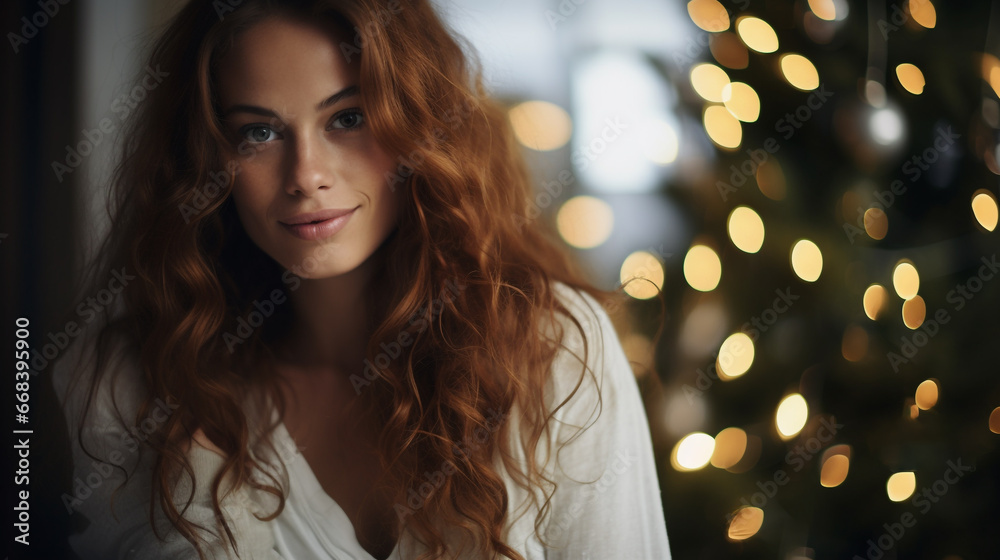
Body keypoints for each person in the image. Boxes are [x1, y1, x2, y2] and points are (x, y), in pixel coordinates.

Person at [51, 0, 673, 558]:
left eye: (347, 118)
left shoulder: (553, 352)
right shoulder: (127, 384)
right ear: (205, 161)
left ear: (421, 128)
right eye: (258, 133)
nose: (307, 174)